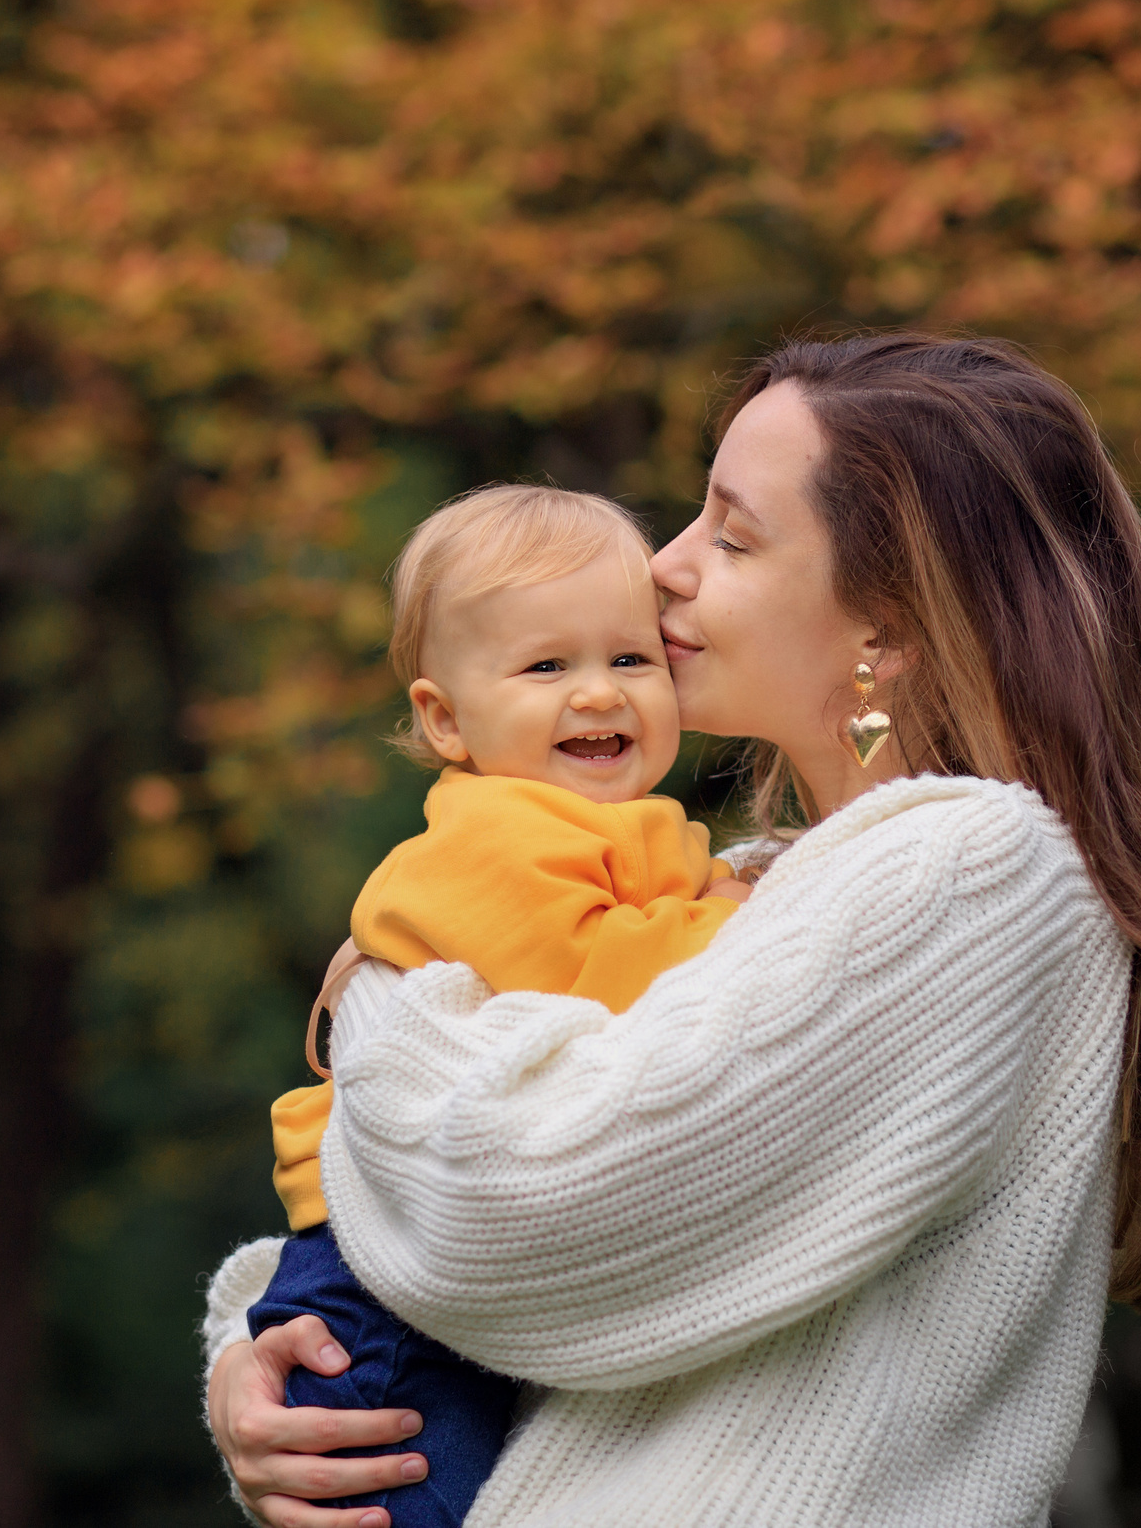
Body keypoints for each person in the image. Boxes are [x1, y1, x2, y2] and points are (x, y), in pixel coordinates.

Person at [204, 333, 1141, 1528]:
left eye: (733, 536)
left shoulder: (974, 871)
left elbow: (518, 1206)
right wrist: (259, 1362)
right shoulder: (760, 888)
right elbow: (547, 1306)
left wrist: (387, 990)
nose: (664, 566)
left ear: (886, 631)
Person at [253, 483, 752, 1526]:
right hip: (373, 1281)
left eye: (628, 659)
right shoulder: (490, 834)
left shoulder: (608, 824)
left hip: (432, 1254)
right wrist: (748, 912)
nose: (599, 694)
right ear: (444, 718)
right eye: (545, 667)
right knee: (399, 1494)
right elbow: (597, 967)